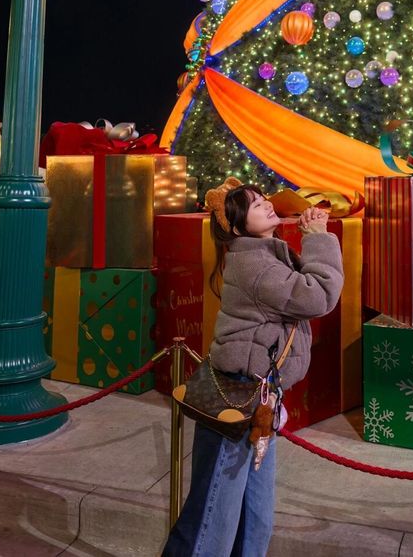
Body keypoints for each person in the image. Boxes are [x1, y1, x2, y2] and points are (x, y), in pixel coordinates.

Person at [163, 177, 344, 557]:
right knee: (213, 511)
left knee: (253, 510)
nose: (265, 203)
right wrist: (318, 238)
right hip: (238, 396)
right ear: (236, 225)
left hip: (260, 397)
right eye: (253, 204)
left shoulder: (266, 253)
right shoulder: (254, 264)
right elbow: (318, 294)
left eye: (263, 197)